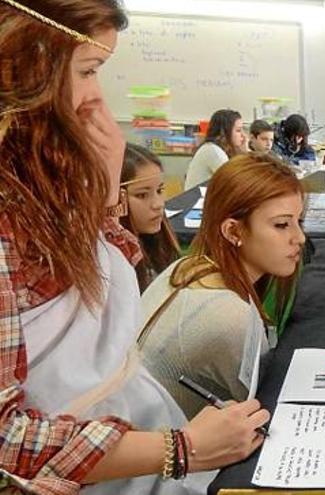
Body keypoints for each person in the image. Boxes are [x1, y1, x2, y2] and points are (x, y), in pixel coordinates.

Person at [0, 1, 269, 492]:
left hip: (130, 439)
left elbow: (102, 293)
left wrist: (102, 195)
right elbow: (6, 439)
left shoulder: (34, 185)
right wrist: (182, 449)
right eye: (87, 71)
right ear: (24, 66)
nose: (94, 100)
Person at [141, 153, 306, 419]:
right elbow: (258, 412)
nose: (299, 237)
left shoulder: (186, 266)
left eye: (299, 221)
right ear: (233, 231)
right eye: (281, 225)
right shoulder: (230, 317)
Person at [120, 143, 181, 292]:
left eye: (160, 190)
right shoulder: (116, 265)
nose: (158, 204)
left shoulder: (162, 244)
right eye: (142, 195)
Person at [184, 108, 246, 189]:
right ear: (223, 132)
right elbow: (237, 183)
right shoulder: (213, 151)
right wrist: (246, 153)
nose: (243, 135)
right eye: (238, 130)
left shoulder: (216, 149)